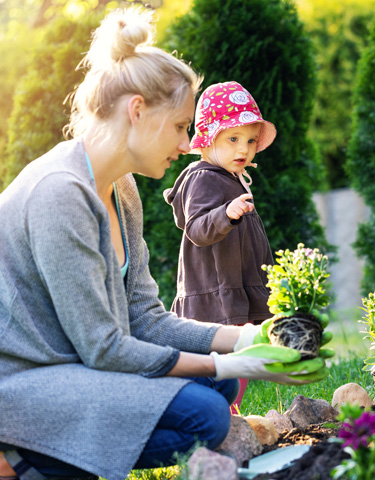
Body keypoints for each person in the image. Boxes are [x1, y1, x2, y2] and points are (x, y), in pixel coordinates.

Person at [0, 8, 329, 480]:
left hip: (75, 369)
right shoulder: (60, 192)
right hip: (22, 384)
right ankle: (17, 458)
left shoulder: (124, 189)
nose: (186, 142)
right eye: (180, 126)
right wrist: (230, 361)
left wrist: (253, 338)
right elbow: (105, 349)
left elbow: (145, 318)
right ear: (137, 111)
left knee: (218, 386)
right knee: (205, 412)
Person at [164, 80, 276, 412]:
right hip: (215, 289)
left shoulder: (228, 174)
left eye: (251, 140)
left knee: (239, 353)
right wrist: (226, 213)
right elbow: (197, 229)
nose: (244, 149)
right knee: (226, 356)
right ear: (208, 139)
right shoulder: (203, 177)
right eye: (233, 139)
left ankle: (229, 408)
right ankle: (223, 408)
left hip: (234, 284)